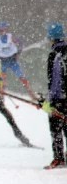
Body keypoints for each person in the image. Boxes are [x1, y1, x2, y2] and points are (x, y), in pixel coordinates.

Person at [38, 23, 67, 169]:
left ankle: (59, 158)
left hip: (59, 98)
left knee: (56, 129)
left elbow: (54, 81)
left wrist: (48, 101)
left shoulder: (54, 55)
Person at [0, 21, 37, 100]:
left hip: (12, 61)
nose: (2, 32)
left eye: (4, 30)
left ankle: (32, 95)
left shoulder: (10, 37)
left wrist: (18, 53)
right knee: (1, 80)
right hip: (3, 61)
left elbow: (20, 43)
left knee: (22, 78)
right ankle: (1, 97)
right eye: (0, 30)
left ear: (6, 30)